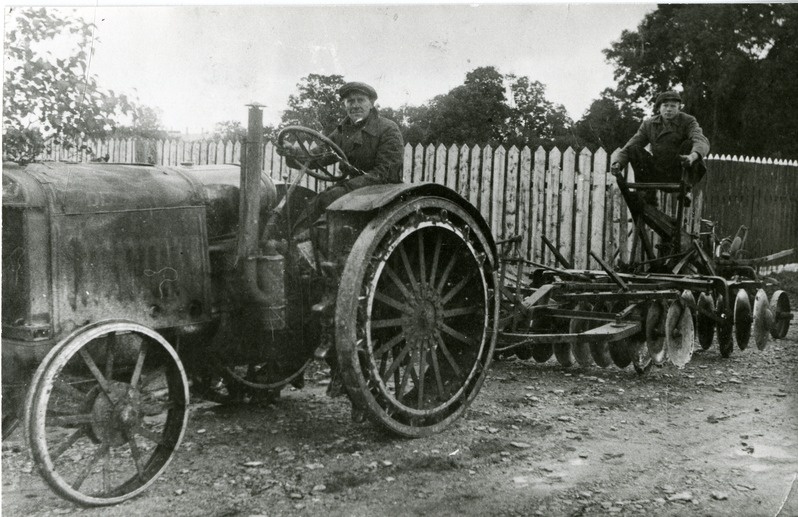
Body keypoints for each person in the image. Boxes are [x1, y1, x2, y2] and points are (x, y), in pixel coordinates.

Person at [290, 81, 404, 236]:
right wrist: (293, 153)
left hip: (383, 192)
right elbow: (319, 155)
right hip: (356, 189)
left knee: (328, 198)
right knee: (315, 201)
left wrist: (347, 188)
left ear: (371, 104)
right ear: (345, 105)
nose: (355, 105)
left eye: (360, 100)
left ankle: (308, 241)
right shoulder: (342, 131)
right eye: (350, 101)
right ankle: (295, 239)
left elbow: (385, 173)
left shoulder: (388, 128)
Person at [611, 90, 710, 205]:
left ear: (679, 108)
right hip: (657, 172)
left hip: (679, 172)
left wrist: (692, 157)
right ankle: (647, 194)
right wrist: (618, 163)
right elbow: (630, 145)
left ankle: (686, 190)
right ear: (659, 108)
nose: (669, 109)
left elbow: (700, 140)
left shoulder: (688, 121)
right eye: (665, 105)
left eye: (673, 106)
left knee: (688, 144)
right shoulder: (649, 124)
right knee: (634, 149)